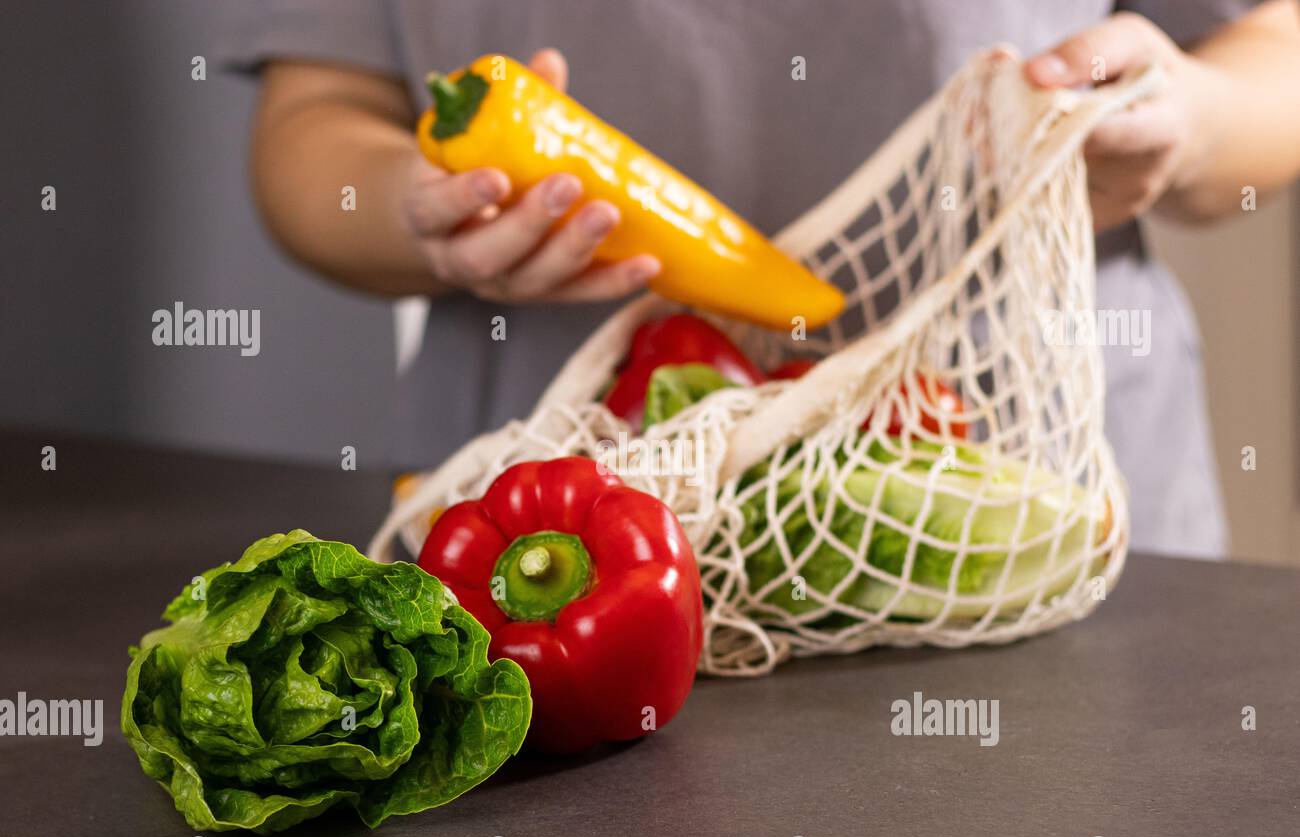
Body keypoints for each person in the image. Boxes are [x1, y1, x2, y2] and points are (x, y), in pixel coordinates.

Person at [222, 0, 1300, 559]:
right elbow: (309, 129)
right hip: (549, 518)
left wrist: (1187, 120)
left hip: (1019, 484)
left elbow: (1273, 53)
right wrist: (423, 215)